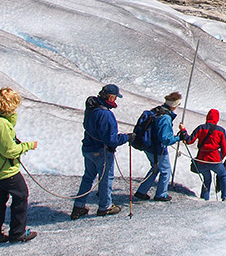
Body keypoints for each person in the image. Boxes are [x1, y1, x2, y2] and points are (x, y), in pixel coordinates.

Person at [0, 87, 38, 245]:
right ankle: (17, 233)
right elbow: (9, 151)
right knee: (21, 196)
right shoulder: (0, 124)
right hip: (4, 170)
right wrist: (28, 146)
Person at [71, 84, 130, 220]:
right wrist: (127, 137)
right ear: (110, 97)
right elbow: (111, 140)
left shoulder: (92, 108)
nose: (115, 100)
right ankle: (105, 206)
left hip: (88, 148)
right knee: (105, 178)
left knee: (88, 177)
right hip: (101, 151)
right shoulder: (106, 114)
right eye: (115, 97)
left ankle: (79, 206)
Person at [134, 92, 186, 202]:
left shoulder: (157, 111)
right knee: (166, 170)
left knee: (155, 168)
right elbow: (166, 139)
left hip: (148, 145)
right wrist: (178, 137)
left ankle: (141, 191)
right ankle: (161, 194)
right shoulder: (165, 118)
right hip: (158, 148)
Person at [186, 109, 226, 201]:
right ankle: (225, 197)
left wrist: (183, 131)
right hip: (215, 159)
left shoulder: (201, 128)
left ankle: (205, 198)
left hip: (202, 159)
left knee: (206, 178)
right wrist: (221, 157)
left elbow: (189, 140)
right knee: (223, 175)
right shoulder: (221, 130)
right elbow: (225, 147)